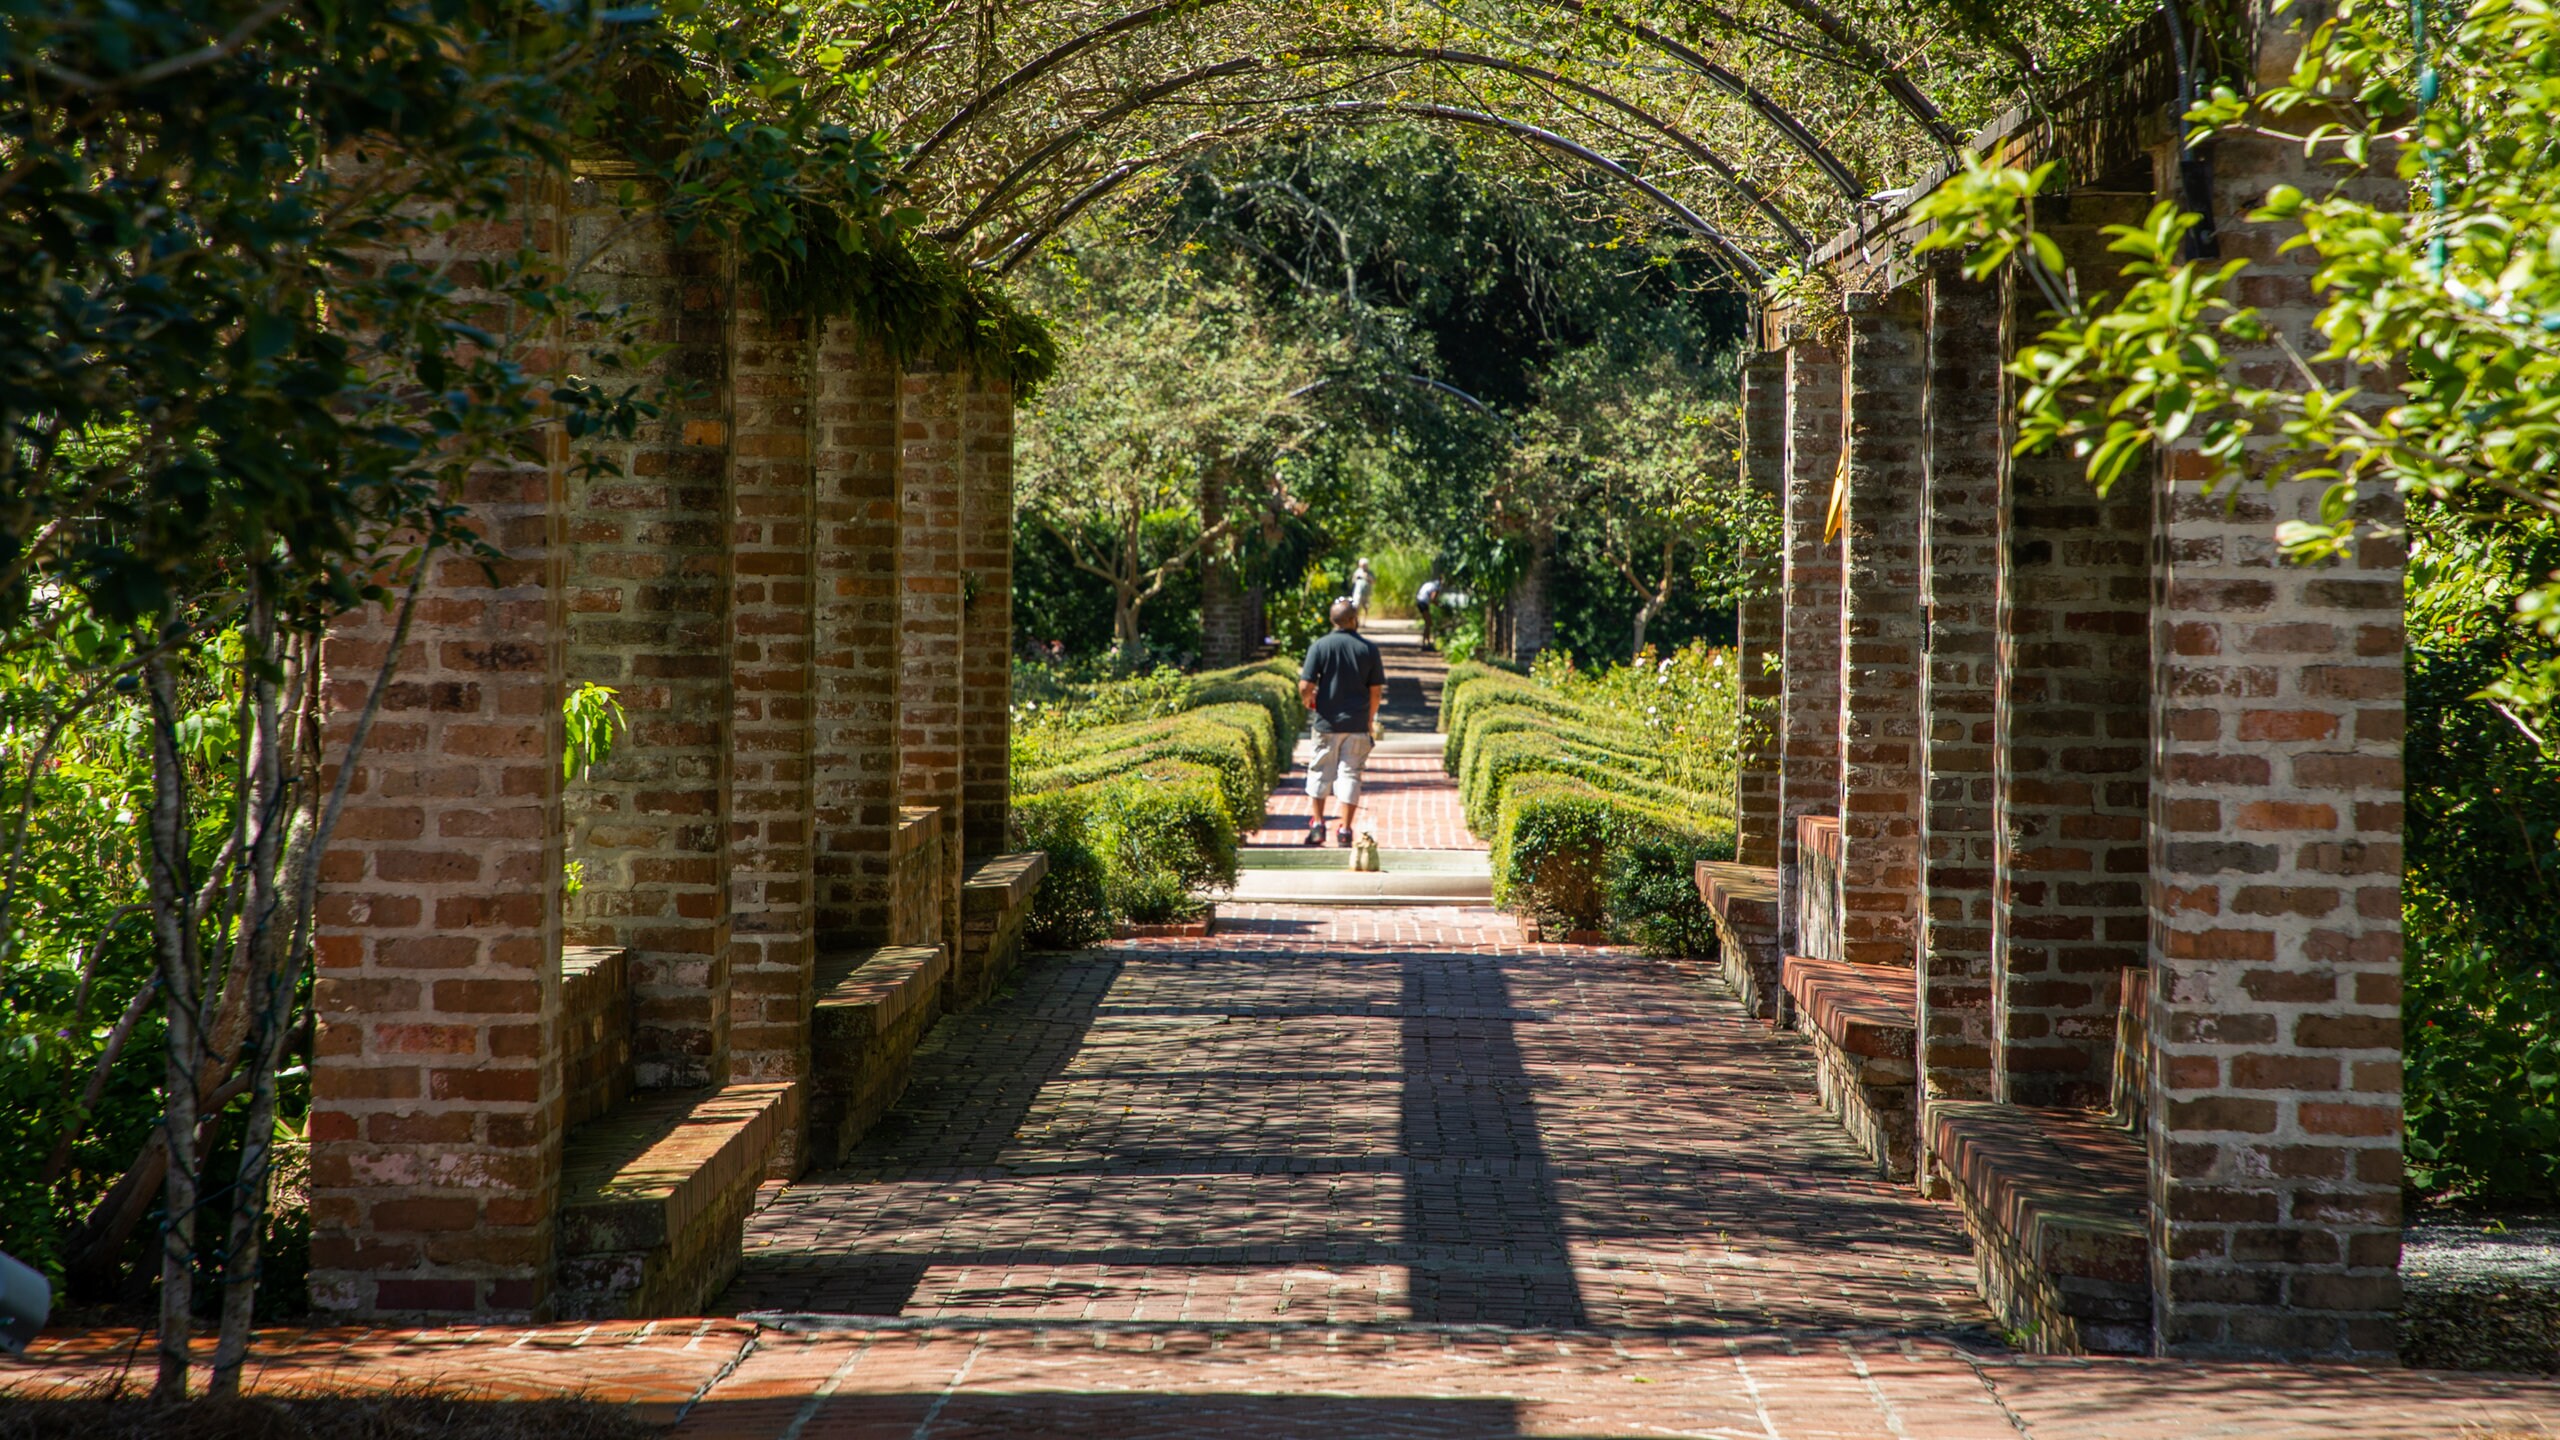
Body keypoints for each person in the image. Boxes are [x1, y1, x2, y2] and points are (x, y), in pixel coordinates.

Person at [1298, 597, 1386, 846]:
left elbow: (1306, 684)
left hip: (1326, 723)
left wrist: (1308, 702)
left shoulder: (1320, 646)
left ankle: (1317, 824)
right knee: (1351, 775)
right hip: (1357, 724)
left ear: (1332, 620)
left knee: (1319, 772)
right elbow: (1376, 691)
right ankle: (1345, 829)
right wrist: (1369, 719)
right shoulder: (1368, 649)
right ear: (1353, 619)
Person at [1415, 577, 1442, 642]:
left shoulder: (1429, 584)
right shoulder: (1436, 587)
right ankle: (1426, 643)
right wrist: (1439, 605)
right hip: (1423, 602)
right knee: (1428, 622)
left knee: (1428, 622)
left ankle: (1426, 641)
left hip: (1419, 601)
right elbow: (1433, 598)